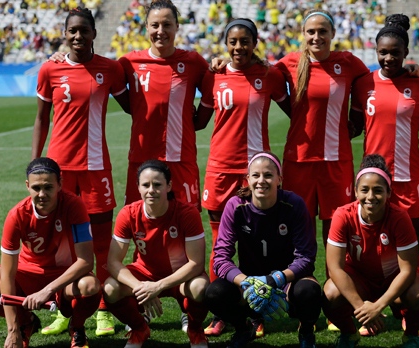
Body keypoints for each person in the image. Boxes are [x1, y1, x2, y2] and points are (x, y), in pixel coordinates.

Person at [31, 7, 130, 337]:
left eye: (83, 31)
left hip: (96, 169)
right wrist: (35, 165)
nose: (77, 36)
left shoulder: (110, 69)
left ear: (93, 34)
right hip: (59, 170)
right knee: (63, 245)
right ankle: (63, 309)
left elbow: (134, 103)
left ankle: (102, 309)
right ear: (64, 34)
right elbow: (42, 118)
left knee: (100, 245)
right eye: (72, 31)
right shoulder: (50, 69)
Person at [194, 18, 290, 337]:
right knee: (220, 245)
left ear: (255, 42)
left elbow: (295, 108)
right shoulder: (215, 76)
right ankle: (221, 312)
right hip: (220, 168)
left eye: (245, 41)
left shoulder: (269, 74)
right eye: (233, 41)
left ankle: (256, 310)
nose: (239, 47)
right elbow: (198, 120)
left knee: (254, 243)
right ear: (225, 44)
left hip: (255, 171)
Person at [0, 158, 100, 348]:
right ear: (27, 186)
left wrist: (47, 291)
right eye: (36, 188)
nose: (42, 194)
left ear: (60, 184)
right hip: (27, 275)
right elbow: (7, 273)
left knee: (90, 285)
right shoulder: (17, 215)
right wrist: (12, 330)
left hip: (64, 279)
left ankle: (77, 328)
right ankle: (25, 323)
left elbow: (86, 261)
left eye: (48, 187)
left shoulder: (74, 206)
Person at [274, 9, 370, 250]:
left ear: (333, 33)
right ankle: (300, 282)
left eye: (323, 31)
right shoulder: (290, 63)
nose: (317, 37)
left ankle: (334, 282)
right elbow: (259, 76)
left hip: (336, 160)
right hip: (299, 159)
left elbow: (375, 84)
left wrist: (355, 121)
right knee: (297, 225)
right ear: (303, 34)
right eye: (311, 32)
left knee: (337, 226)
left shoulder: (348, 62)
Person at [204, 152, 321, 348]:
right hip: (249, 283)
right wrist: (247, 282)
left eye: (268, 175)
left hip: (287, 280)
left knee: (309, 291)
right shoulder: (236, 206)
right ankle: (243, 329)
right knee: (215, 293)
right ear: (247, 179)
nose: (261, 181)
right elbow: (221, 258)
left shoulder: (294, 205)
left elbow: (306, 257)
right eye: (255, 175)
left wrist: (275, 279)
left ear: (279, 180)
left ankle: (307, 332)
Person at [323, 154, 419, 348]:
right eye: (364, 190)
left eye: (378, 191)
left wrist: (378, 306)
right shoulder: (342, 215)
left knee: (418, 294)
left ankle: (411, 336)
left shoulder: (399, 217)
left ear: (389, 193)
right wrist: (361, 308)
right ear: (355, 191)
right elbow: (335, 268)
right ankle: (349, 334)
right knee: (330, 293)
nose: (370, 197)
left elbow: (408, 270)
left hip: (393, 278)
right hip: (360, 280)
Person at [103, 160, 209, 348]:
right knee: (110, 289)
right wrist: (141, 287)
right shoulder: (128, 213)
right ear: (138, 187)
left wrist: (158, 286)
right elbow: (113, 262)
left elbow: (196, 263)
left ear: (168, 186)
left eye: (157, 184)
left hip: (180, 277)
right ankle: (139, 328)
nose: (151, 190)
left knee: (200, 287)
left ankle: (195, 330)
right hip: (145, 274)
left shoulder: (187, 213)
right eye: (146, 185)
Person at [351, 14, 419, 237]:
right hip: (373, 175)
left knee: (410, 238)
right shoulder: (363, 84)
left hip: (408, 177)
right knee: (371, 237)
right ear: (376, 52)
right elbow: (353, 127)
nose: (389, 58)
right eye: (383, 52)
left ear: (406, 53)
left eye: (395, 52)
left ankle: (410, 273)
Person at [118, 0, 208, 211]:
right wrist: (62, 57)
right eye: (155, 25)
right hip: (141, 158)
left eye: (167, 25)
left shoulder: (193, 62)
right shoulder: (128, 63)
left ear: (177, 27)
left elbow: (218, 89)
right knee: (139, 224)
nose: (161, 31)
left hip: (181, 158)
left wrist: (198, 120)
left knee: (188, 224)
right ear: (146, 27)